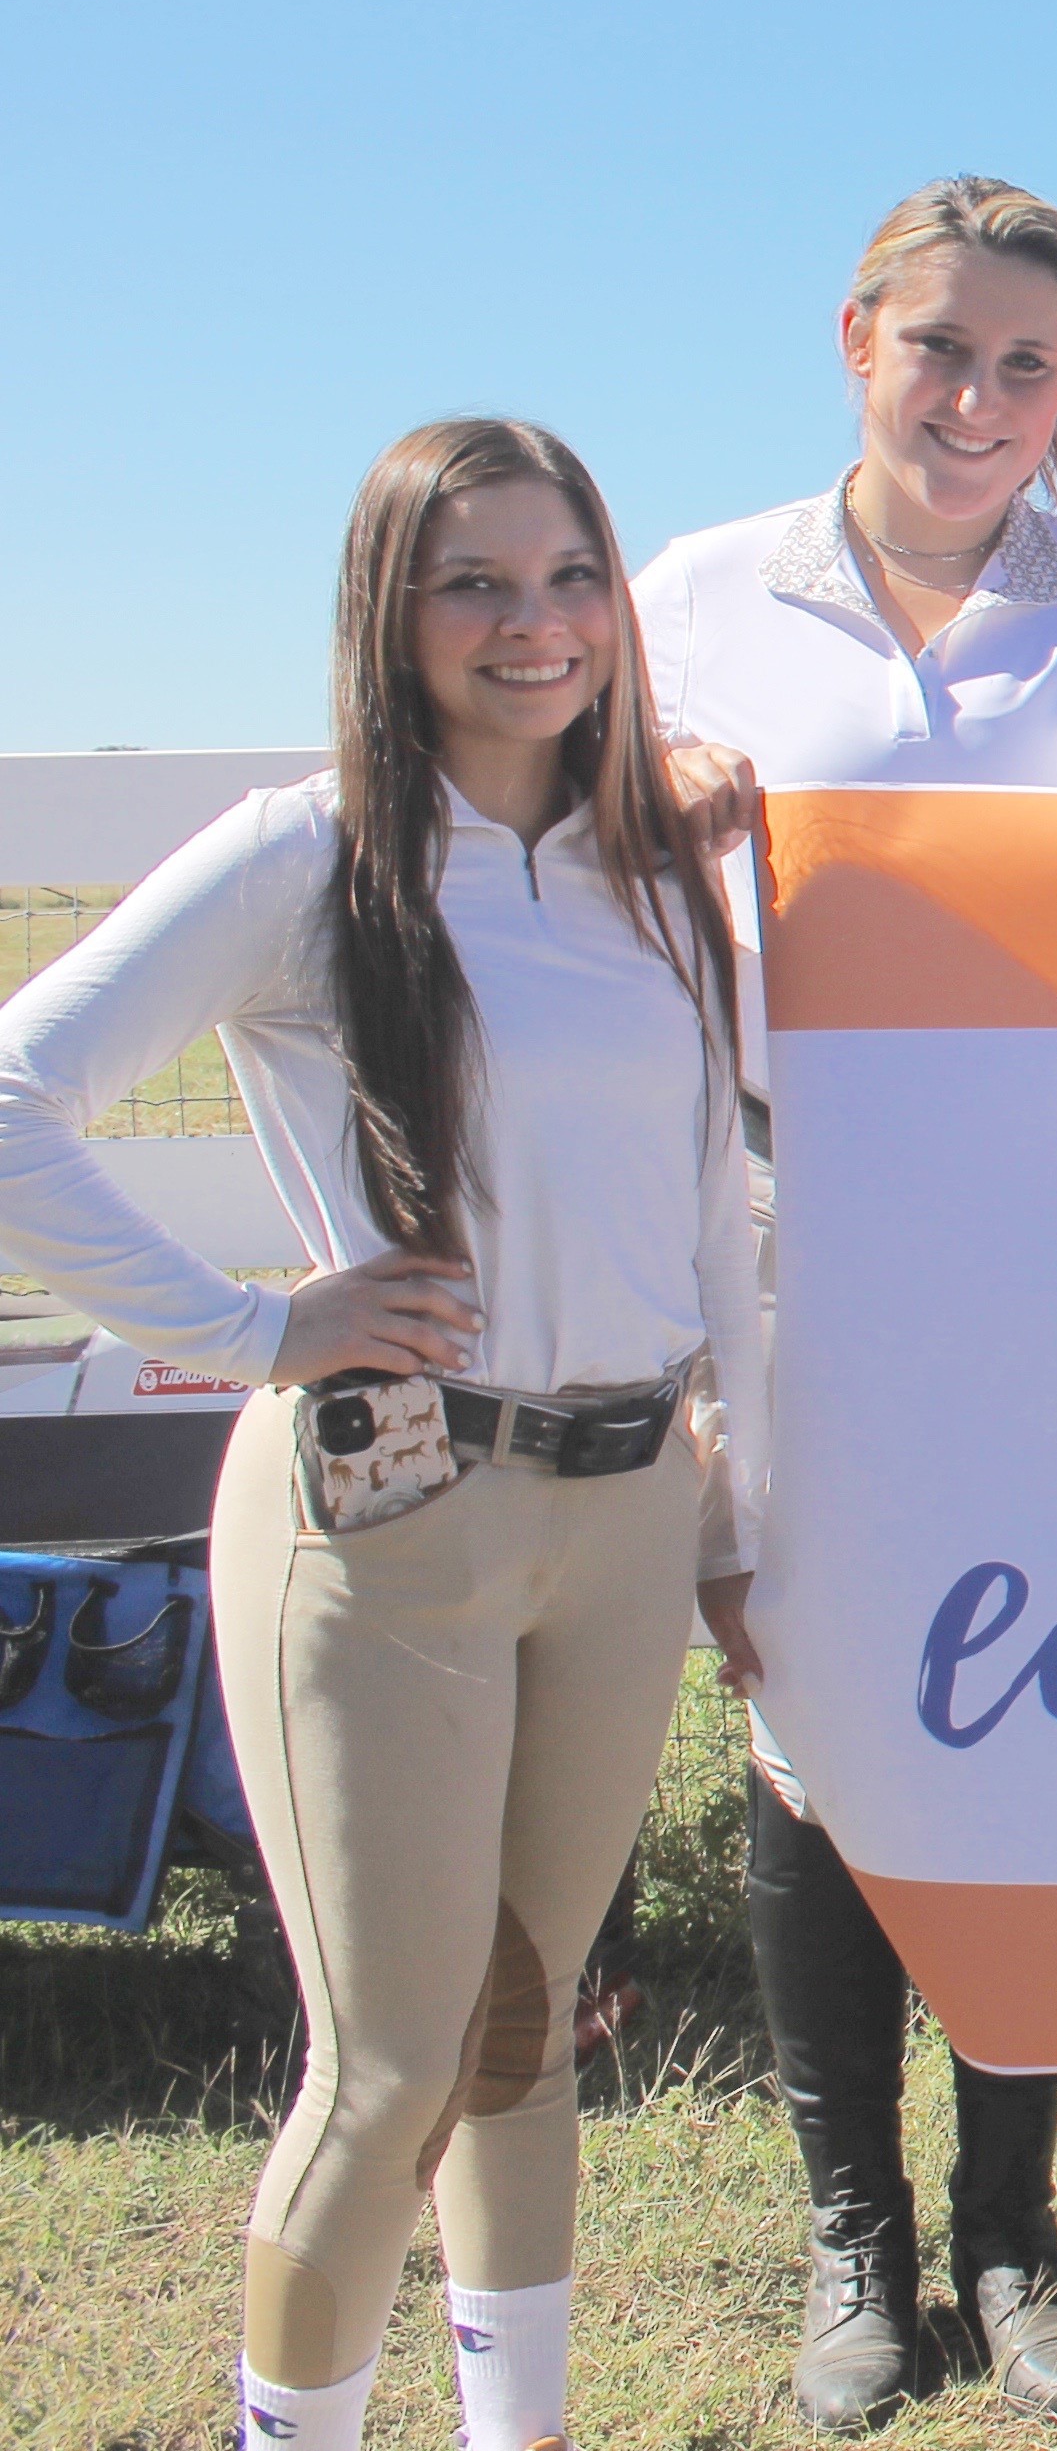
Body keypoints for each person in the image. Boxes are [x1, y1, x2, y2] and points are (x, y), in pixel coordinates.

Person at [0, 420, 756, 2451]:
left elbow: (704, 1210)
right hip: (384, 1513)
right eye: (477, 583)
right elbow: (17, 1095)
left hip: (619, 1512)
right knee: (390, 2062)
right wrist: (250, 1322)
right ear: (392, 613)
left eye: (571, 575)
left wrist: (734, 1500)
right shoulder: (301, 853)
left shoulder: (656, 877)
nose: (536, 626)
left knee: (532, 2037)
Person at [633, 173, 1057, 2428]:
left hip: (1050, 1254)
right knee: (808, 1716)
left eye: (1027, 365)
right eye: (939, 347)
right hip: (775, 1228)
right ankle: (854, 2242)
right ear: (856, 337)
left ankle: (1014, 2229)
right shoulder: (686, 598)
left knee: (1016, 1707)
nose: (976, 399)